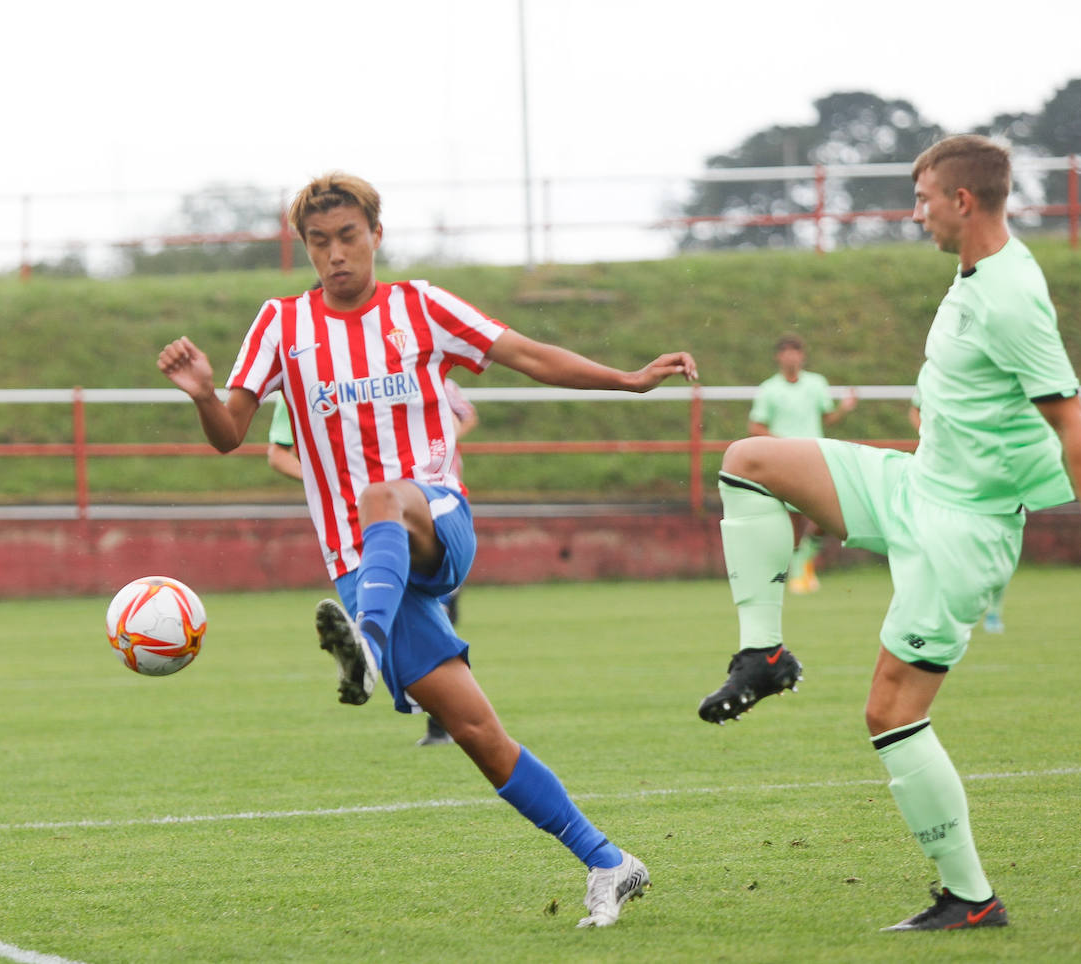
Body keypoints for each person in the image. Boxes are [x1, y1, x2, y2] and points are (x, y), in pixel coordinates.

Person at [158, 171, 698, 928]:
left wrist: (627, 380)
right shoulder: (280, 325)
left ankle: (366, 650)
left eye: (348, 237)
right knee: (479, 734)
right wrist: (204, 396)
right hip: (360, 566)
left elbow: (528, 353)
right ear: (305, 248)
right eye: (319, 243)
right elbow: (230, 437)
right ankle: (610, 861)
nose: (335, 254)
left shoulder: (421, 307)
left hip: (435, 518)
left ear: (376, 234)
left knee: (383, 493)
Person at [696, 135, 1081, 931]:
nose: (915, 211)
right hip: (914, 484)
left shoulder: (1010, 296)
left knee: (889, 712)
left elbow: (1073, 426)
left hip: (960, 533)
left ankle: (971, 899)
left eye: (924, 197)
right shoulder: (974, 275)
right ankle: (761, 654)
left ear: (962, 202)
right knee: (748, 460)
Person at [266, 386, 471, 745]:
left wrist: (432, 440)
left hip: (430, 504)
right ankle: (437, 713)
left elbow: (462, 415)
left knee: (436, 606)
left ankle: (432, 708)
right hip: (361, 517)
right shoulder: (299, 383)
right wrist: (322, 480)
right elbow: (277, 453)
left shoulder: (403, 356)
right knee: (409, 615)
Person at [748, 333, 857, 594]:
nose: (791, 357)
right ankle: (797, 568)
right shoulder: (769, 389)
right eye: (786, 352)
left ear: (802, 356)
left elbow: (826, 417)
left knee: (828, 512)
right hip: (785, 459)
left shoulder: (817, 383)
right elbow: (755, 426)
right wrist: (783, 443)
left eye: (795, 352)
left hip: (816, 455)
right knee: (793, 517)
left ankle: (803, 559)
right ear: (779, 357)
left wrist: (844, 408)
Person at [909, 389, 1004, 633]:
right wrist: (931, 438)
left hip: (988, 474)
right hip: (947, 476)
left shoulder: (990, 380)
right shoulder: (932, 375)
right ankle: (943, 610)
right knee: (943, 541)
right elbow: (914, 411)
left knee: (997, 542)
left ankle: (994, 612)